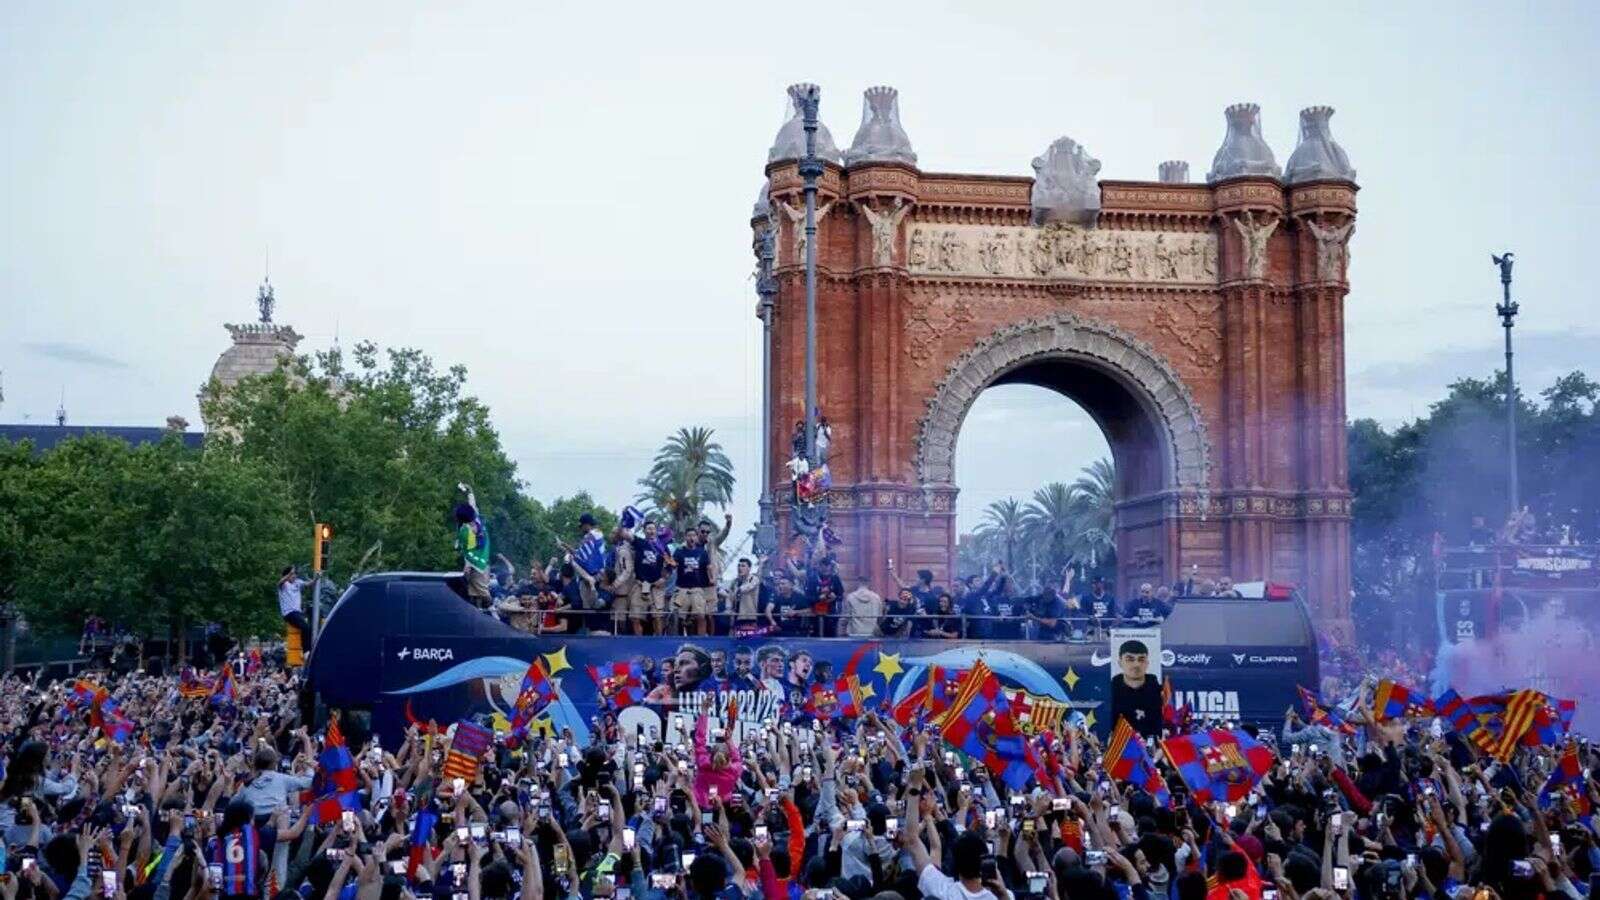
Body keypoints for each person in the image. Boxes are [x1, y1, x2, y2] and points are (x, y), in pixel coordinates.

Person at [1109, 637, 1164, 739]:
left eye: (1141, 659)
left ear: (1147, 663)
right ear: (1120, 662)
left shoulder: (1159, 692)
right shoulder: (1110, 692)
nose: (1136, 664)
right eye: (1130, 659)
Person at [454, 483, 493, 609]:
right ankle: (479, 614)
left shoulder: (466, 530)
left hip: (477, 564)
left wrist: (467, 565)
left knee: (482, 592)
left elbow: (468, 550)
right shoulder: (476, 519)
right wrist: (469, 491)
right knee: (474, 593)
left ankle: (493, 614)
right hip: (483, 562)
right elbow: (472, 505)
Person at [671, 529, 713, 636]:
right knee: (678, 617)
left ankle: (701, 640)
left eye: (693, 535)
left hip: (697, 589)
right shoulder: (679, 551)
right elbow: (672, 564)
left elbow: (708, 568)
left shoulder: (702, 552)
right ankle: (677, 639)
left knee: (701, 616)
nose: (691, 538)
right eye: (689, 535)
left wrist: (711, 579)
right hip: (682, 589)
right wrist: (671, 564)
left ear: (696, 537)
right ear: (685, 537)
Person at [277, 565, 312, 652]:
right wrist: (289, 574)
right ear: (287, 575)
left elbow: (309, 584)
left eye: (295, 574)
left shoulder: (298, 582)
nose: (294, 576)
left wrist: (316, 578)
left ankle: (308, 648)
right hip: (289, 613)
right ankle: (306, 651)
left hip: (298, 613)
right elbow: (280, 582)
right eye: (292, 574)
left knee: (310, 627)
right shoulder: (284, 585)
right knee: (306, 627)